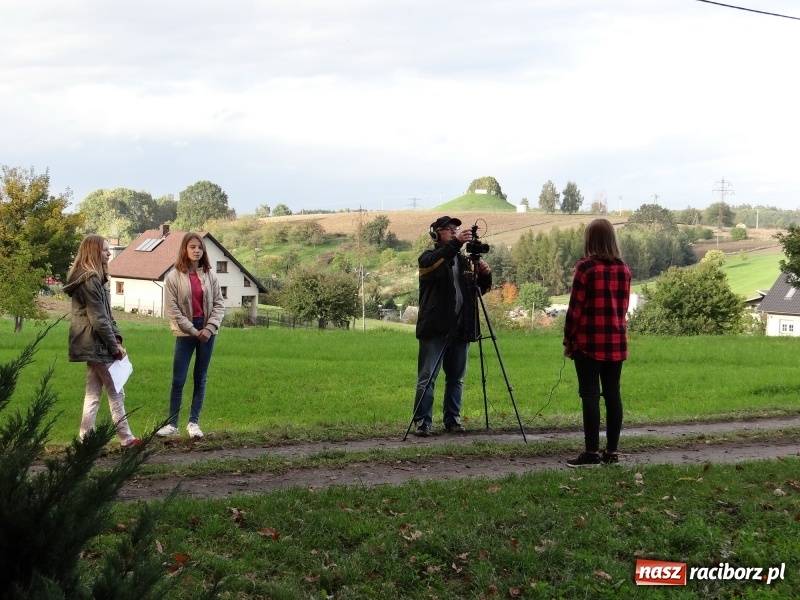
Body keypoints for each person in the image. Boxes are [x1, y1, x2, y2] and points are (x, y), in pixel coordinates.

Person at [412, 216, 492, 437]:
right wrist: (456, 243)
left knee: (456, 378)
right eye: (448, 229)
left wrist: (485, 276)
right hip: (436, 329)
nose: (454, 232)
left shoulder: (465, 262)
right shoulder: (428, 258)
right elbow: (434, 269)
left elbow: (477, 291)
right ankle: (422, 422)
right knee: (427, 377)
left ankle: (453, 420)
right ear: (436, 234)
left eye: (455, 229)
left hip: (461, 329)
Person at [563, 218, 631, 467]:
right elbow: (622, 308)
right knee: (613, 394)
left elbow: (574, 309)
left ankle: (590, 453)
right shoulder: (623, 269)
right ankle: (611, 452)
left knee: (590, 395)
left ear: (590, 239)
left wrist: (568, 338)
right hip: (616, 340)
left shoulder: (586, 267)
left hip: (589, 342)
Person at [65, 235, 140, 448]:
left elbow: (107, 316)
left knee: (94, 393)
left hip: (95, 343)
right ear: (93, 252)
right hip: (94, 343)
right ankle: (126, 439)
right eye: (105, 250)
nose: (108, 253)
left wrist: (116, 338)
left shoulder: (95, 279)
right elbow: (98, 319)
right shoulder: (89, 280)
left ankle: (85, 439)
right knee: (116, 390)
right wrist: (114, 346)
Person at [156, 232, 225, 439]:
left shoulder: (211, 276)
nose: (196, 251)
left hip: (207, 332)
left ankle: (194, 423)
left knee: (200, 378)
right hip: (186, 332)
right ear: (184, 250)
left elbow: (220, 305)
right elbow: (173, 310)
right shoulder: (173, 278)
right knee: (178, 379)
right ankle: (172, 424)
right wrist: (193, 331)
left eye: (200, 247)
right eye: (192, 247)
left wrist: (209, 328)